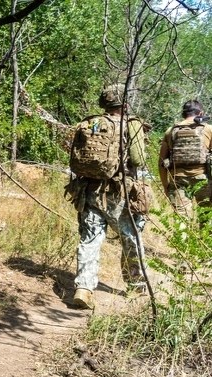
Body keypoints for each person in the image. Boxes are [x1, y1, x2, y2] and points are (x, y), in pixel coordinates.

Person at [70, 85, 148, 310]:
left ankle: (83, 288)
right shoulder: (131, 124)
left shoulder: (90, 123)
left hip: (88, 190)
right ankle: (136, 285)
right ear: (125, 104)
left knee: (90, 239)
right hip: (118, 192)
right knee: (131, 237)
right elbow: (139, 159)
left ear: (104, 104)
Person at [158, 100, 212, 224]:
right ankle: (204, 243)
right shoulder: (209, 129)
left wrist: (165, 185)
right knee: (206, 218)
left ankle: (182, 242)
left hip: (178, 180)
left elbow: (161, 162)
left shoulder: (170, 131)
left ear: (183, 114)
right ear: (201, 113)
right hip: (204, 179)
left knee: (181, 220)